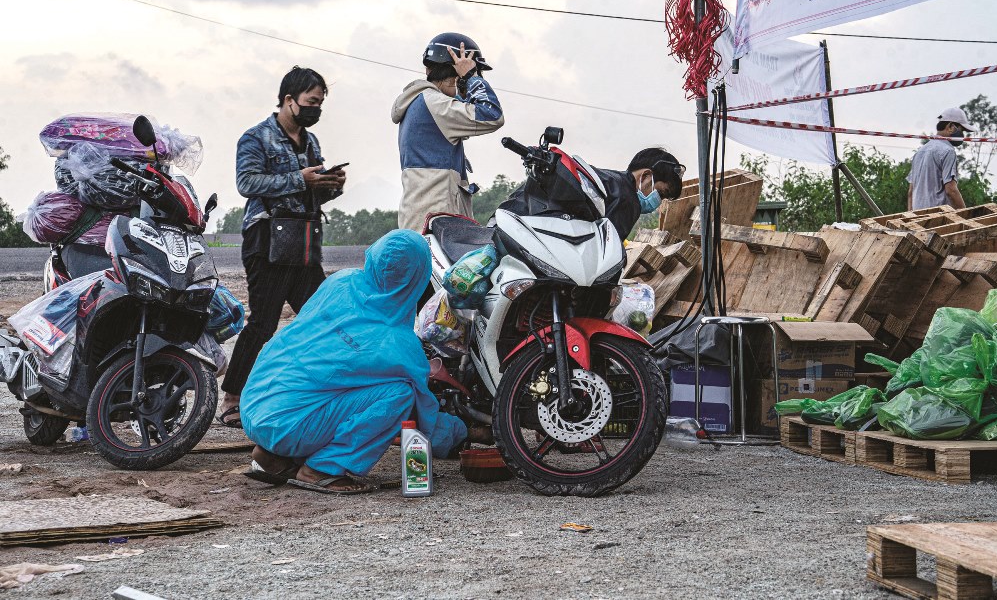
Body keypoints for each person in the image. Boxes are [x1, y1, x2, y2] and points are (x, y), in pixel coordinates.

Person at [239, 230, 481, 494]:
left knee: (323, 386)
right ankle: (321, 469)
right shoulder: (398, 344)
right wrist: (464, 432)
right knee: (400, 395)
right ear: (419, 278)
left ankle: (272, 457)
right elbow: (424, 418)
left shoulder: (341, 282)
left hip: (255, 404)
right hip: (289, 427)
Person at [218, 66, 345, 428]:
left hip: (304, 240)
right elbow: (246, 182)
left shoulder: (312, 142)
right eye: (310, 102)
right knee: (263, 322)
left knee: (322, 317)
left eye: (319, 103)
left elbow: (314, 192)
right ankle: (233, 398)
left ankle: (309, 391)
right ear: (288, 100)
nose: (315, 109)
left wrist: (331, 184)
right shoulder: (256, 137)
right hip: (266, 238)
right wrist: (299, 178)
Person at [392, 32, 504, 231]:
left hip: (425, 217)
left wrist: (464, 87)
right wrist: (471, 77)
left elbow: (466, 112)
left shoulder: (422, 102)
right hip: (438, 221)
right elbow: (491, 115)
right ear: (454, 74)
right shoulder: (435, 104)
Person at [501, 147, 685, 241]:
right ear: (646, 176)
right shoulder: (627, 199)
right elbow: (610, 251)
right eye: (661, 193)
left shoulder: (610, 179)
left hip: (513, 217)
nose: (658, 201)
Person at [907, 107, 972, 211]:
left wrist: (910, 217)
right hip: (938, 218)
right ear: (950, 126)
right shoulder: (947, 151)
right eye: (961, 130)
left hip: (917, 218)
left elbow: (911, 192)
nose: (962, 135)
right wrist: (966, 215)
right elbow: (951, 190)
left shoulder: (919, 152)